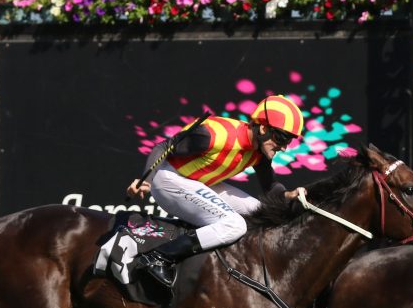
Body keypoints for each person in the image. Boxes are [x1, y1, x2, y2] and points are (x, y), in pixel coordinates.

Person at [126, 94, 305, 288]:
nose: (284, 147)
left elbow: (270, 187)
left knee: (262, 212)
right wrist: (146, 180)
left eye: (289, 141)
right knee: (234, 225)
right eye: (281, 138)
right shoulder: (215, 135)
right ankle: (158, 257)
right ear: (263, 128)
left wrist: (288, 195)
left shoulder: (259, 151)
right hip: (168, 179)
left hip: (197, 182)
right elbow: (164, 146)